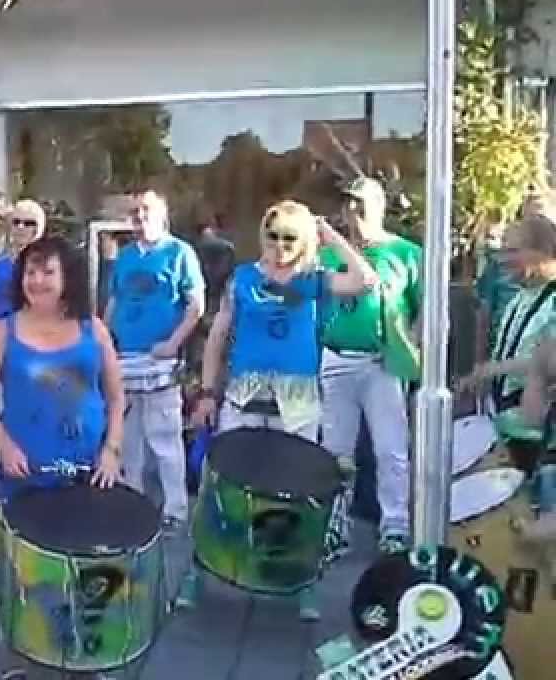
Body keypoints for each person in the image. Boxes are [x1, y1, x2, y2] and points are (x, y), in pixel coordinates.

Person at [185, 199, 376, 619]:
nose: (280, 245)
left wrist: (331, 237)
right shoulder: (243, 278)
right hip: (245, 391)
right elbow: (218, 336)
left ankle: (299, 580)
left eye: (290, 237)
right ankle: (202, 570)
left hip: (297, 397)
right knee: (226, 483)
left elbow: (365, 280)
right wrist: (206, 392)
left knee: (296, 491)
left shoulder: (314, 279)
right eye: (273, 236)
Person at [0, 235, 124, 501]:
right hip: (23, 475)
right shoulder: (3, 332)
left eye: (48, 272)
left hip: (91, 472)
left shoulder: (94, 329)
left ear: (67, 278)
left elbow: (116, 396)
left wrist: (111, 450)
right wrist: (3, 446)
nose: (37, 281)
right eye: (30, 272)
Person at [318, 176, 422, 555]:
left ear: (379, 206)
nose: (354, 212)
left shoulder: (407, 253)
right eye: (349, 204)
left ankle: (394, 524)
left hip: (383, 361)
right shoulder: (328, 254)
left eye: (361, 204)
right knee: (336, 450)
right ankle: (334, 525)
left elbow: (424, 309)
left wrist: (412, 347)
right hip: (336, 356)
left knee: (390, 448)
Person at [103, 189, 204, 529]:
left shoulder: (180, 253)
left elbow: (196, 306)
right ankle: (134, 504)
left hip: (160, 359)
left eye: (148, 210)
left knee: (165, 437)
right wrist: (104, 340)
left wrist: (174, 343)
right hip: (125, 358)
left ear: (163, 214)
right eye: (136, 212)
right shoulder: (126, 256)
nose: (141, 217)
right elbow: (114, 302)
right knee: (128, 437)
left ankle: (174, 510)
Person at [459, 214, 556, 419]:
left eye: (513, 251)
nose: (504, 261)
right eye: (502, 252)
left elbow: (548, 362)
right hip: (508, 416)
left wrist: (492, 369)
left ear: (543, 252)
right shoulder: (519, 298)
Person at [0, 200, 46, 324]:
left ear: (38, 228)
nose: (21, 227)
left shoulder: (46, 268)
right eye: (16, 222)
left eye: (28, 223)